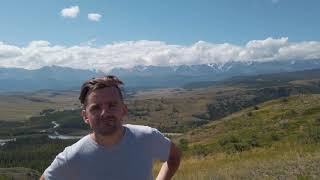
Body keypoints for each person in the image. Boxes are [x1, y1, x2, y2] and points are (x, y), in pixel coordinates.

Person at [40, 75, 181, 180]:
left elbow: (174, 157)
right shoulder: (72, 156)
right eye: (95, 108)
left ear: (124, 110)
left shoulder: (148, 137)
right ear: (85, 116)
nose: (105, 113)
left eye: (112, 105)